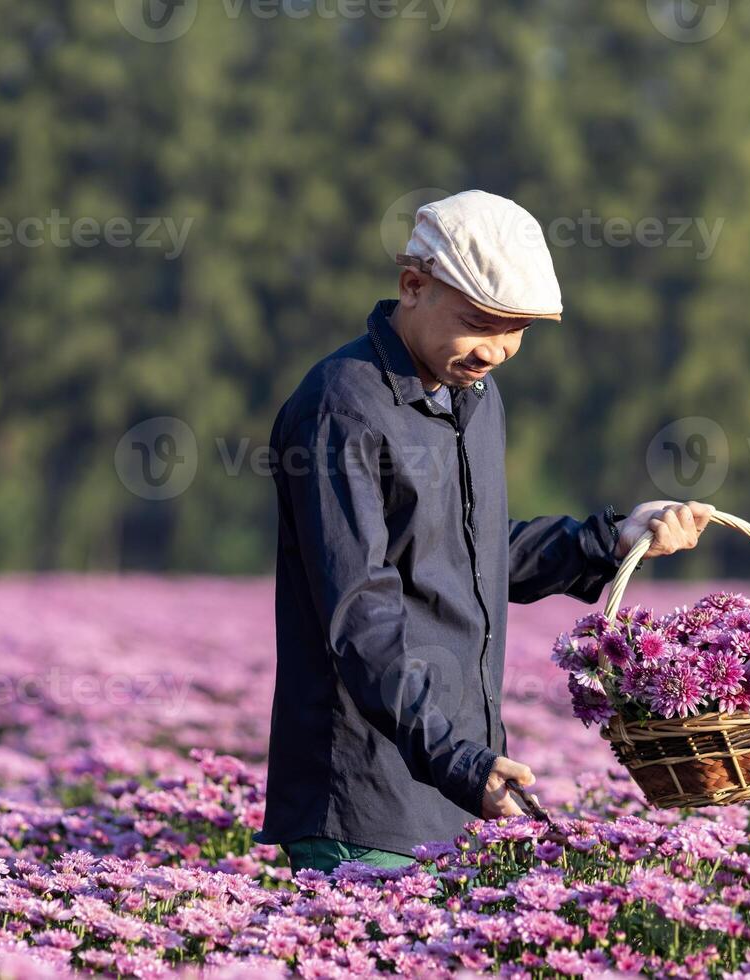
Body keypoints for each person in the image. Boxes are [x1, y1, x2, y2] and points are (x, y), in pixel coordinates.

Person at [255, 189, 714, 875]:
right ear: (413, 286)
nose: (499, 350)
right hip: (363, 802)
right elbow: (359, 617)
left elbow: (477, 555)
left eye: (518, 330)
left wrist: (614, 537)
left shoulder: (470, 391)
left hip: (453, 798)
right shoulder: (342, 406)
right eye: (481, 322)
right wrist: (460, 762)